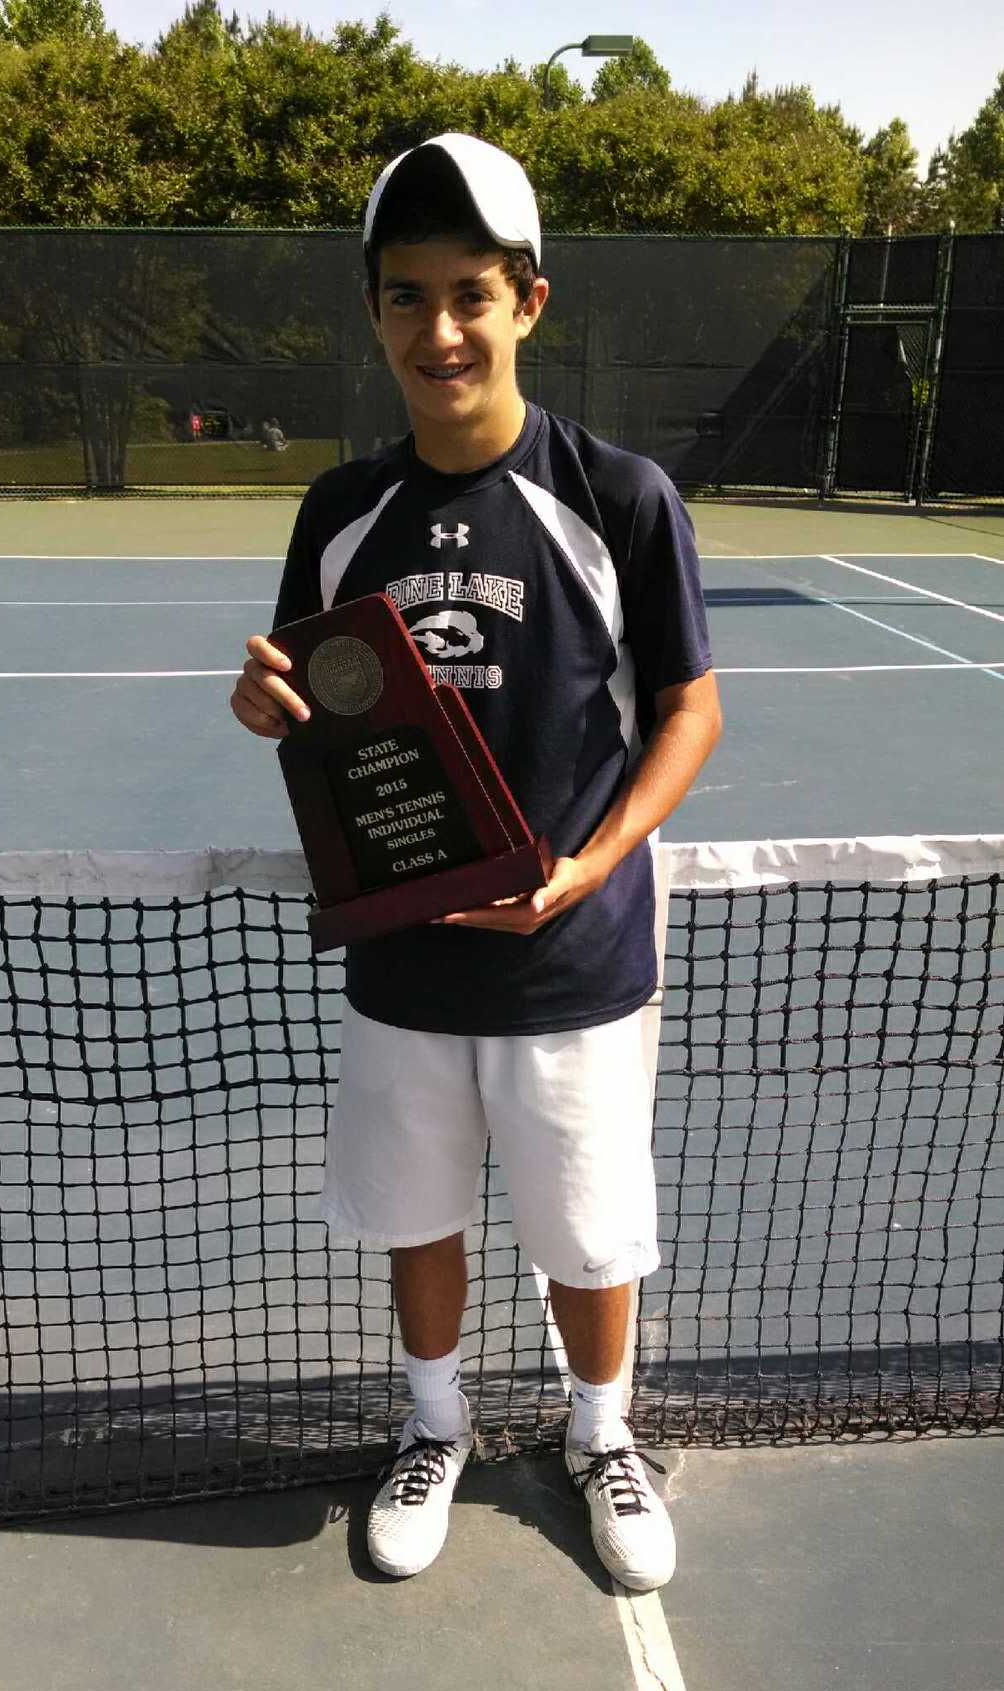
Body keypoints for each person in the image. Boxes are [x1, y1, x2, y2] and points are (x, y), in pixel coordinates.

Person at [230, 134, 721, 1589]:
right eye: (407, 296)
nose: (438, 330)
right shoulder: (340, 514)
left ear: (527, 303)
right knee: (420, 1213)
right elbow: (319, 710)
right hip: (404, 958)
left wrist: (591, 866)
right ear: (375, 311)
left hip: (576, 959)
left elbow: (690, 710)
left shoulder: (619, 497)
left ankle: (600, 1433)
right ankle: (434, 1423)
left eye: (469, 295)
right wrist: (267, 705)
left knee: (587, 1231)